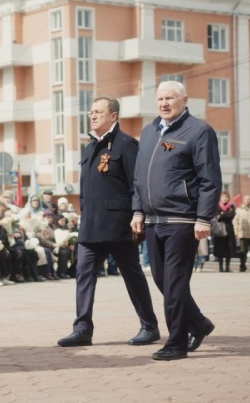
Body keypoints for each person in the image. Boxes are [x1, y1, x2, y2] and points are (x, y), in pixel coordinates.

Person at [57, 96, 160, 349]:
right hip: (90, 226)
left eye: (98, 112)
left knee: (132, 275)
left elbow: (137, 185)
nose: (92, 116)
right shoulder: (90, 146)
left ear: (113, 115)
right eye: (91, 112)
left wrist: (138, 215)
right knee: (83, 274)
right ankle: (82, 329)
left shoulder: (127, 145)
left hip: (118, 226)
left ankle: (150, 326)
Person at [131, 81, 221, 361]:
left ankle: (177, 343)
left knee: (175, 284)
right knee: (160, 279)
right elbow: (138, 180)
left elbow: (210, 179)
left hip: (183, 220)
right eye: (160, 98)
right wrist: (137, 211)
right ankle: (200, 323)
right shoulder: (148, 132)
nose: (164, 103)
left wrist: (203, 217)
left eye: (170, 98)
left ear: (184, 100)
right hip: (153, 221)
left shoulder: (199, 131)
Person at [213, 191, 236, 272]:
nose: (224, 199)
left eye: (226, 197)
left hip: (229, 229)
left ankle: (227, 267)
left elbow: (231, 216)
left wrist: (222, 214)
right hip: (219, 229)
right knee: (220, 248)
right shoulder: (217, 206)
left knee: (228, 248)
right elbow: (216, 217)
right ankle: (220, 267)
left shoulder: (231, 206)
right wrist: (225, 213)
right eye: (223, 197)